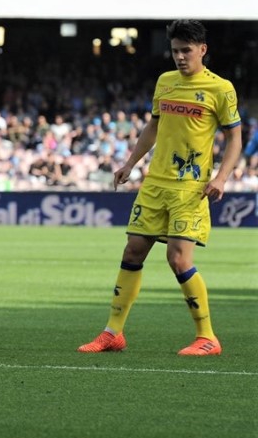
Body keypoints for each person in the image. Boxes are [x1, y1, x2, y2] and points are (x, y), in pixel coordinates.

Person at [78, 20, 242, 357]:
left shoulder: (220, 89)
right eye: (175, 51)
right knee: (132, 251)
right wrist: (130, 163)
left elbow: (235, 138)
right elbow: (154, 127)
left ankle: (207, 337)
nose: (180, 57)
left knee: (178, 259)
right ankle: (113, 333)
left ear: (202, 50)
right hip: (155, 183)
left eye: (186, 51)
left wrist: (221, 177)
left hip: (191, 188)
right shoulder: (165, 82)